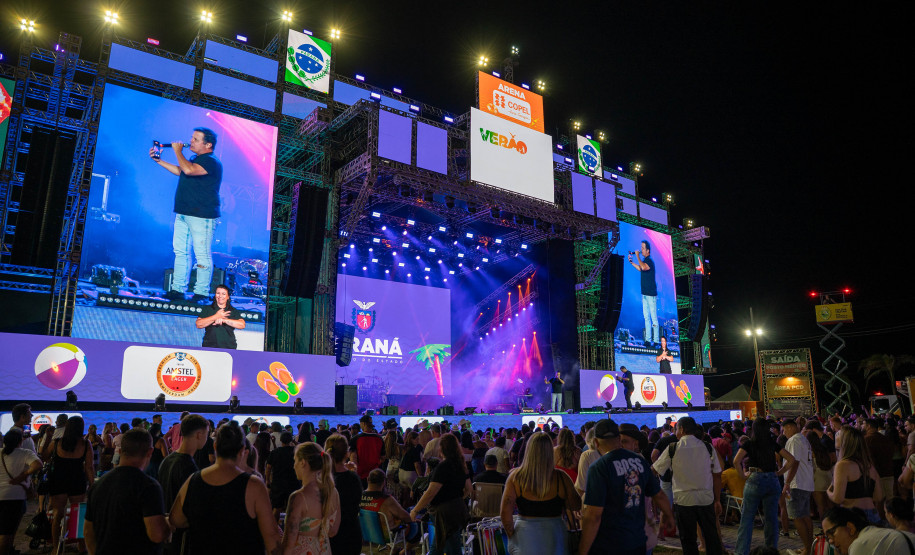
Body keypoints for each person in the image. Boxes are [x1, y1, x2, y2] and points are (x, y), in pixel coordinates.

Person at [170, 422, 280, 553]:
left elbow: (176, 519)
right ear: (242, 451)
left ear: (215, 446)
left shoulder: (193, 480)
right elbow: (271, 538)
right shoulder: (254, 485)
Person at [150, 127, 224, 303]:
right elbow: (182, 170)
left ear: (208, 145)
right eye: (192, 138)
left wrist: (177, 151)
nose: (191, 141)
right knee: (180, 252)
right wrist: (159, 161)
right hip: (183, 213)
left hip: (202, 216)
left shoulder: (211, 161)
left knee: (202, 254)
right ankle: (177, 290)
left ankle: (201, 293)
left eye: (196, 139)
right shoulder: (194, 160)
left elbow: (189, 170)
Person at [580, 419, 674, 555]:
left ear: (595, 442)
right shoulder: (639, 461)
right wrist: (669, 516)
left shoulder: (599, 467)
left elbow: (594, 515)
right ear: (618, 439)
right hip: (637, 541)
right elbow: (658, 494)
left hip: (609, 544)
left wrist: (583, 549)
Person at [84, 428, 170, 555]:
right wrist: (168, 525)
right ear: (150, 452)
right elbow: (156, 534)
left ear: (120, 450)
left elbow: (88, 532)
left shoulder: (99, 485)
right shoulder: (148, 486)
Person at [499, 432, 580, 555]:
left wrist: (512, 536)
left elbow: (505, 512)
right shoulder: (561, 477)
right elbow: (576, 505)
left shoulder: (516, 477)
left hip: (525, 534)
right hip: (555, 534)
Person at [652, 416, 723, 555]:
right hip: (705, 499)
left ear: (682, 429)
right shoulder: (707, 447)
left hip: (684, 500)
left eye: (676, 428)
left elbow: (654, 469)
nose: (675, 431)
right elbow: (717, 474)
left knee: (688, 539)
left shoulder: (673, 448)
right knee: (711, 538)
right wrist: (718, 499)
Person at [732, 418, 796, 555]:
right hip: (772, 480)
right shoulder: (772, 443)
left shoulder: (749, 443)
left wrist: (743, 475)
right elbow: (791, 460)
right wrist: (779, 473)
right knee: (772, 518)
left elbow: (736, 461)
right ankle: (771, 551)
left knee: (747, 518)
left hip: (755, 478)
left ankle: (741, 552)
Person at [411, 433, 472, 555]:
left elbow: (430, 492)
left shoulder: (443, 467)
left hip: (444, 512)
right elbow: (469, 489)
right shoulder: (461, 465)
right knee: (440, 543)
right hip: (458, 509)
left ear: (442, 448)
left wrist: (415, 510)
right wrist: (457, 498)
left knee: (450, 545)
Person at [157, 414, 208, 555]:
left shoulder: (167, 460)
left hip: (166, 531)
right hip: (181, 536)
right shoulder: (188, 467)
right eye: (206, 434)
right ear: (199, 434)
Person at [281, 442, 340, 555]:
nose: (294, 466)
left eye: (295, 461)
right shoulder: (332, 491)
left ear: (303, 462)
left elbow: (289, 544)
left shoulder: (299, 497)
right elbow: (333, 531)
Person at [48, 415, 95, 549]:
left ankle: (56, 547)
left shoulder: (57, 442)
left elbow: (44, 456)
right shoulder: (85, 444)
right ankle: (81, 545)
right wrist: (92, 484)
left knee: (58, 513)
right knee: (78, 513)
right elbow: (89, 467)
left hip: (58, 480)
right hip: (77, 480)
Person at [828, 425, 884, 524]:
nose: (836, 433)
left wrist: (828, 492)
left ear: (845, 442)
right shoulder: (869, 465)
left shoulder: (842, 465)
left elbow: (838, 498)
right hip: (873, 516)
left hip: (852, 516)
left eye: (840, 433)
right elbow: (878, 497)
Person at [0, 429, 42, 555]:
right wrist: (24, 475)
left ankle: (9, 550)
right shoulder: (25, 453)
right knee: (7, 532)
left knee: (6, 529)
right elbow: (38, 465)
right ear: (20, 441)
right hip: (15, 496)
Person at [360, 469, 421, 549]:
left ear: (368, 479)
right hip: (386, 536)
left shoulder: (359, 496)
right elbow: (406, 517)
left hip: (367, 533)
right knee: (416, 525)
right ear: (384, 482)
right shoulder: (387, 500)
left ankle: (398, 550)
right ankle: (404, 552)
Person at [325, 433, 363, 555]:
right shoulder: (352, 478)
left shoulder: (324, 479)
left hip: (330, 531)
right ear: (347, 453)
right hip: (351, 531)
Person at [822, 505, 915, 554]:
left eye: (831, 533)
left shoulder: (860, 545)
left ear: (850, 527)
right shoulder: (871, 534)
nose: (830, 541)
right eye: (827, 537)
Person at [782, 418, 815, 555]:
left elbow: (794, 462)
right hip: (806, 482)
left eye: (784, 430)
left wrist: (787, 482)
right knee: (805, 516)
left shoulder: (794, 440)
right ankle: (809, 547)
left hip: (797, 483)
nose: (784, 433)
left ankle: (807, 548)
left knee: (797, 517)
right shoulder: (803, 439)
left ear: (789, 427)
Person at [195, 284, 245, 349]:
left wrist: (224, 320)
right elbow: (198, 324)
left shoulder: (232, 311)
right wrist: (216, 316)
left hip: (229, 348)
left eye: (223, 294)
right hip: (208, 347)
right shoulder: (207, 309)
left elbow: (242, 325)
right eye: (218, 293)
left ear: (228, 297)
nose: (220, 296)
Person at [628, 239, 658, 346]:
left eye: (643, 248)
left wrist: (637, 256)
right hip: (644, 293)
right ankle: (648, 340)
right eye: (641, 248)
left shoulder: (649, 261)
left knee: (653, 317)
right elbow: (640, 268)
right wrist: (631, 262)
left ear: (648, 250)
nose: (641, 250)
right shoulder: (644, 261)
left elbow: (644, 267)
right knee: (646, 317)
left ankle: (656, 340)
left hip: (651, 294)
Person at [863, 418, 896, 514]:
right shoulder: (885, 438)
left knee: (878, 500)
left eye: (864, 424)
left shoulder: (867, 439)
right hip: (888, 472)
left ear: (868, 426)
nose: (862, 426)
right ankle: (892, 520)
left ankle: (881, 522)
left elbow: (869, 460)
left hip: (876, 475)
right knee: (889, 500)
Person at [266, 431, 299, 522]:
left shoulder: (275, 452)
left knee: (277, 508)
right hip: (293, 482)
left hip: (278, 483)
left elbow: (268, 468)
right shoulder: (296, 452)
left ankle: (274, 529)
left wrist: (267, 480)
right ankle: (289, 530)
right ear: (291, 440)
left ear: (280, 440)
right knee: (292, 509)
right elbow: (302, 445)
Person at [350, 414, 384, 484]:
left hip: (360, 474)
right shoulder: (379, 439)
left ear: (363, 424)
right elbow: (383, 457)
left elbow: (352, 457)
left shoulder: (355, 439)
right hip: (375, 473)